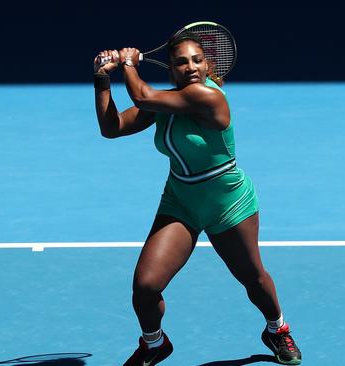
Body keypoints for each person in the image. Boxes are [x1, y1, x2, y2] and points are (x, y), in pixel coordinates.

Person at [93, 32, 302, 366]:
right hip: (181, 202)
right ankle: (154, 343)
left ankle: (277, 329)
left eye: (197, 60)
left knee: (254, 278)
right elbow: (112, 127)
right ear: (172, 69)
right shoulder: (166, 103)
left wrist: (128, 63)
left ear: (209, 65)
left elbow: (142, 95)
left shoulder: (209, 98)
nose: (190, 67)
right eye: (181, 62)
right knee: (145, 286)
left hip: (229, 203)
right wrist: (102, 79)